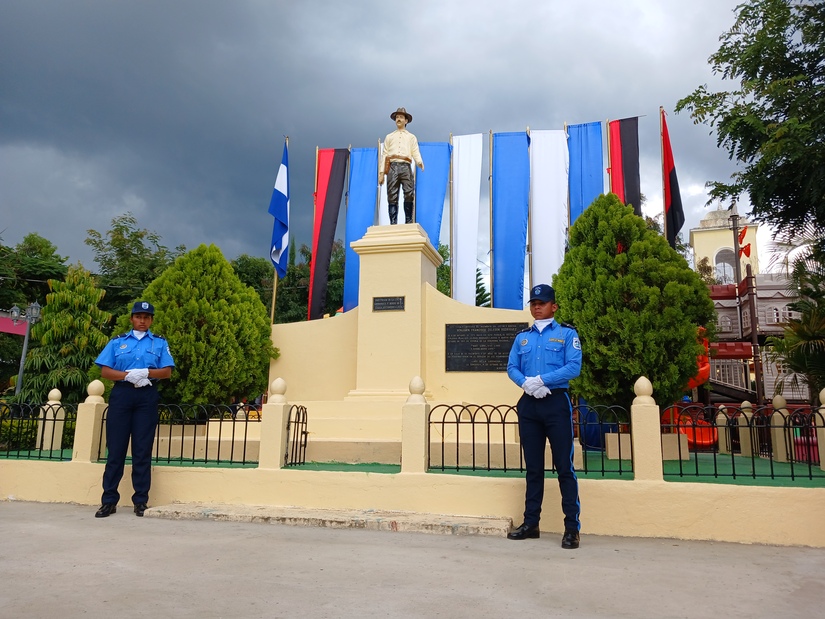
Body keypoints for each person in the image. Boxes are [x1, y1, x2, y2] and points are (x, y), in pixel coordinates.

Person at [506, 284, 583, 549]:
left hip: (556, 403)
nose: (537, 306)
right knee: (533, 468)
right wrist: (526, 385)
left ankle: (571, 528)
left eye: (542, 302)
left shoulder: (566, 334)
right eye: (533, 303)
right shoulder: (522, 338)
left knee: (564, 468)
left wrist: (542, 381)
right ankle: (531, 523)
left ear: (554, 306)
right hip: (529, 405)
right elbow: (512, 366)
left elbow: (574, 366)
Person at [94, 301, 175, 518]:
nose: (142, 321)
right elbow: (105, 371)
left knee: (142, 451)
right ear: (131, 318)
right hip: (122, 394)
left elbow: (166, 371)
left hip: (146, 395)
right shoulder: (117, 342)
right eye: (138, 316)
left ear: (151, 320)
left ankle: (141, 501)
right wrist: (127, 376)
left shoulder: (159, 343)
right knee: (116, 451)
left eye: (146, 317)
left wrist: (146, 372)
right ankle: (108, 500)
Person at [379, 106, 424, 224]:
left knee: (409, 193)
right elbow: (384, 155)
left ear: (406, 120)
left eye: (401, 117)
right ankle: (393, 222)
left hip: (406, 166)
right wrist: (381, 172)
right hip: (393, 166)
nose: (398, 119)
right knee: (392, 195)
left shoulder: (411, 137)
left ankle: (408, 221)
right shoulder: (389, 137)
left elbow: (415, 151)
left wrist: (419, 162)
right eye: (397, 117)